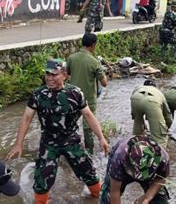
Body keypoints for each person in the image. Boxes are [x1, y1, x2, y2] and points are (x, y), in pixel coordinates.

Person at [6, 59, 109, 204]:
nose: (49, 78)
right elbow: (26, 118)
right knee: (42, 180)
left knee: (88, 172)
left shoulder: (75, 93)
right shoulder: (38, 95)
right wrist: (18, 144)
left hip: (71, 139)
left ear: (64, 75)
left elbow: (89, 116)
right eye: (47, 74)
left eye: (54, 74)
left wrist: (101, 138)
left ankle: (97, 197)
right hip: (49, 142)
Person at [67, 33, 108, 154]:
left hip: (72, 97)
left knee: (69, 124)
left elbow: (66, 74)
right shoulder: (94, 62)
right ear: (93, 45)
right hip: (88, 99)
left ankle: (69, 149)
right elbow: (104, 83)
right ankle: (89, 153)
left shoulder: (71, 58)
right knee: (88, 127)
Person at [99, 135, 170, 204]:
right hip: (123, 167)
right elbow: (115, 190)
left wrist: (147, 197)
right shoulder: (119, 158)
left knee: (159, 198)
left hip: (148, 171)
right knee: (108, 196)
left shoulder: (163, 159)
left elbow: (160, 179)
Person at [131, 80, 173, 147]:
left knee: (137, 126)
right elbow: (167, 115)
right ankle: (159, 153)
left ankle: (136, 145)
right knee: (160, 137)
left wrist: (139, 120)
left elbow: (135, 114)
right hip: (152, 101)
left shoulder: (138, 88)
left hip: (135, 98)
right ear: (154, 86)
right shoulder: (159, 93)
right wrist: (165, 128)